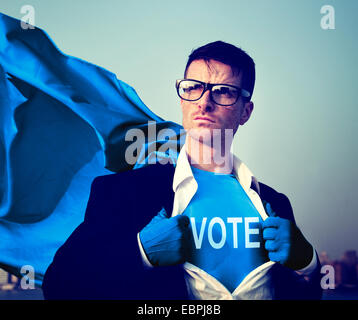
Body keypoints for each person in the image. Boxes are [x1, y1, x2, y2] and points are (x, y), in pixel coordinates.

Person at [42, 41, 322, 300]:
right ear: (182, 98)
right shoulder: (122, 192)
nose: (204, 102)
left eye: (223, 91)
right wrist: (140, 253)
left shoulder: (275, 203)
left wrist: (307, 262)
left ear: (245, 111)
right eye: (193, 87)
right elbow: (59, 286)